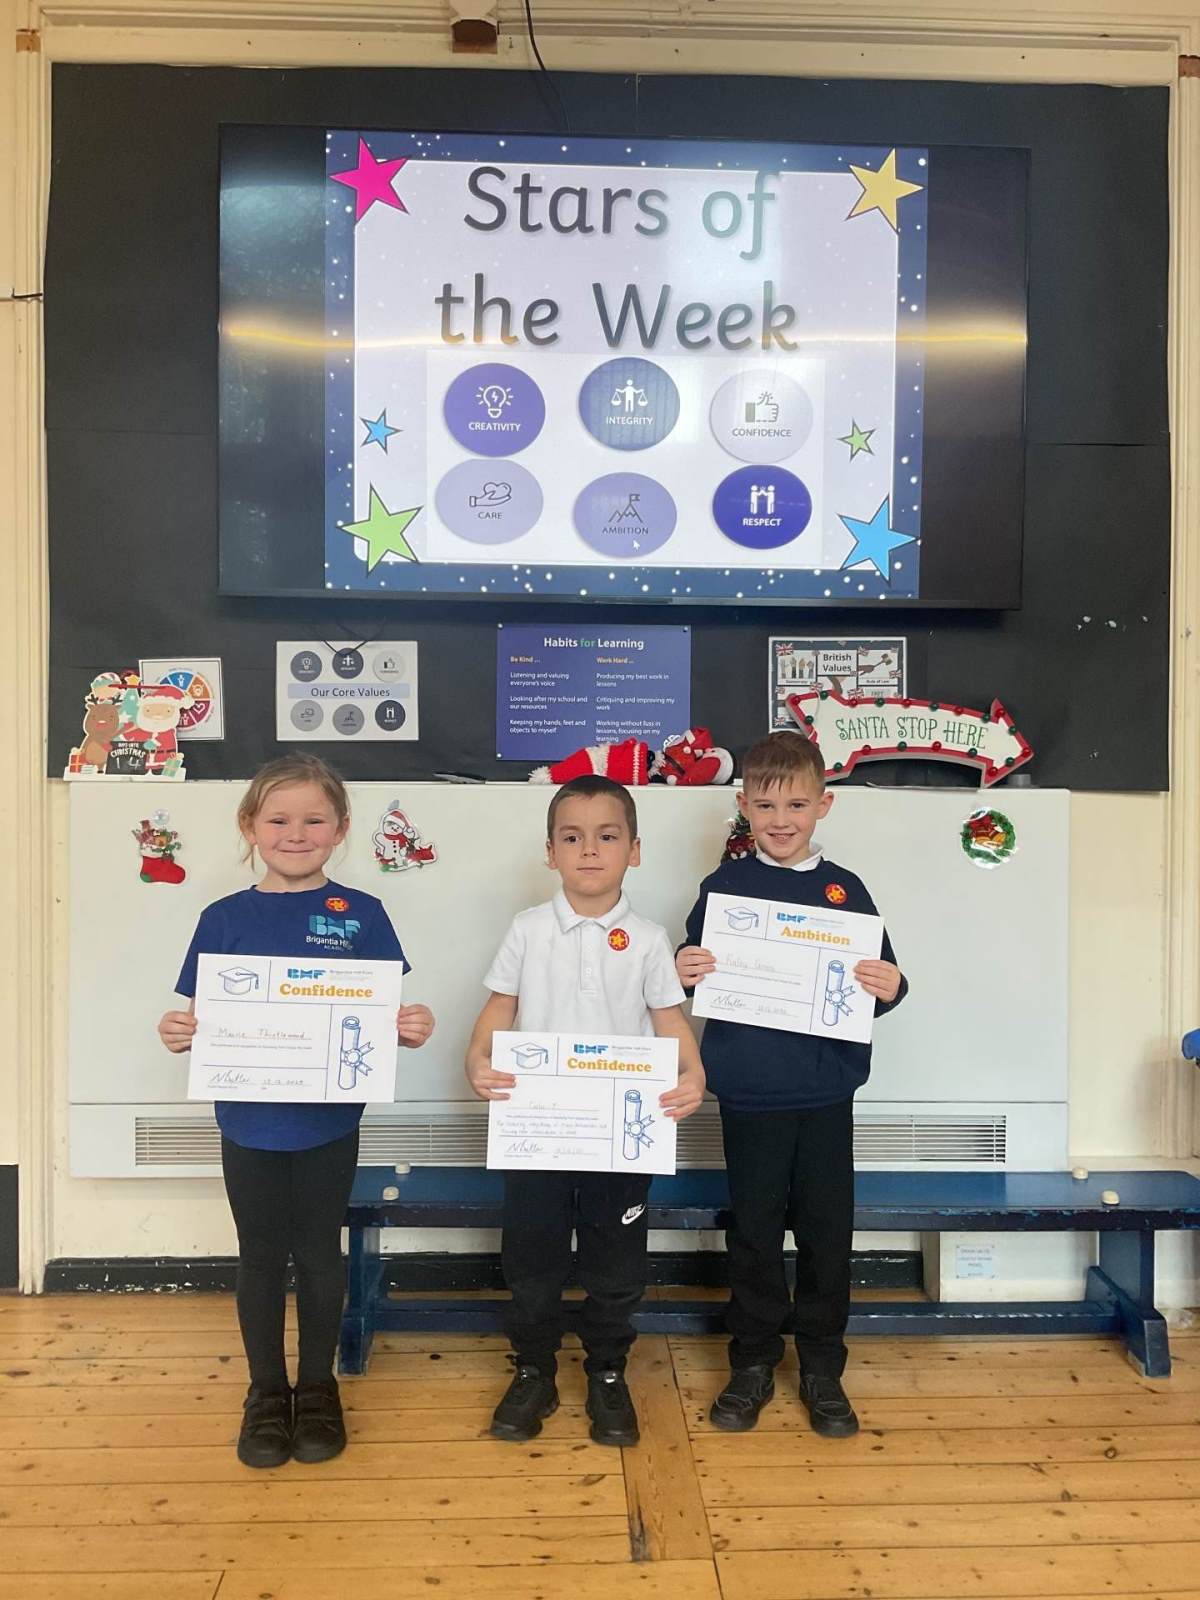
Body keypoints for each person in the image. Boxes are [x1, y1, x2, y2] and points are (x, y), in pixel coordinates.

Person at [158, 755, 434, 1468]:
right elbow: (199, 1017)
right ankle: (264, 1392)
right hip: (247, 1120)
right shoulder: (223, 918)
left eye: (314, 820)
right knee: (259, 1254)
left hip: (327, 1121)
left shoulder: (362, 914)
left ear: (339, 830)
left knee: (317, 1253)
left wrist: (410, 1026)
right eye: (279, 819)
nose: (296, 832)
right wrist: (178, 1031)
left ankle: (317, 1388)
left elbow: (384, 1012)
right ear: (250, 826)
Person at [676, 732, 907, 1437]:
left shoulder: (847, 889)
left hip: (825, 1094)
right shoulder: (723, 888)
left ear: (823, 805)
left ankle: (822, 1368)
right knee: (753, 1235)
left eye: (797, 804)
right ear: (744, 805)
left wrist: (893, 986)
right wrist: (683, 967)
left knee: (826, 1236)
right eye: (767, 805)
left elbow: (880, 982)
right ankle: (752, 1362)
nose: (781, 820)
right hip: (750, 1095)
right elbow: (688, 970)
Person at [465, 774, 705, 1447]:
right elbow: (499, 1009)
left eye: (607, 836)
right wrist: (476, 1060)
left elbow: (670, 1021)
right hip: (536, 1133)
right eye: (572, 838)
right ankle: (534, 1370)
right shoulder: (528, 929)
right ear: (551, 853)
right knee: (532, 1260)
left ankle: (606, 1370)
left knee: (615, 1262)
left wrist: (693, 1073)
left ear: (635, 850)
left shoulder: (650, 939)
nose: (590, 850)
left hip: (620, 1136)